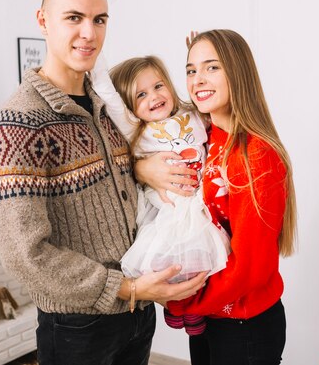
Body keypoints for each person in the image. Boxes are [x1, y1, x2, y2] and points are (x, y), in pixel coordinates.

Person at [0, 0, 207, 365]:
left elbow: (123, 170)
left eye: (99, 19)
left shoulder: (108, 109)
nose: (89, 32)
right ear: (43, 20)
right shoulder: (20, 120)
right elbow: (24, 253)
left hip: (138, 313)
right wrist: (127, 288)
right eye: (74, 18)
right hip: (78, 325)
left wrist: (141, 170)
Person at [136, 29, 298, 365]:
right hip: (211, 318)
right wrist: (142, 169)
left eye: (212, 67)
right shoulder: (208, 136)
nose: (197, 80)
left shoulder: (256, 154)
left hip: (245, 323)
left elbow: (250, 269)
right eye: (191, 70)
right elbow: (157, 134)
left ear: (237, 72)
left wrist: (180, 302)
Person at [90, 55, 231, 335]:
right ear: (130, 106)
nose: (153, 97)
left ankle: (194, 307)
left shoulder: (192, 116)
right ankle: (176, 307)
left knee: (200, 255)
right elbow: (108, 95)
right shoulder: (138, 130)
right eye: (141, 95)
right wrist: (94, 62)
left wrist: (197, 62)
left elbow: (215, 99)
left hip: (199, 200)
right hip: (170, 205)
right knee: (169, 256)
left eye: (158, 86)